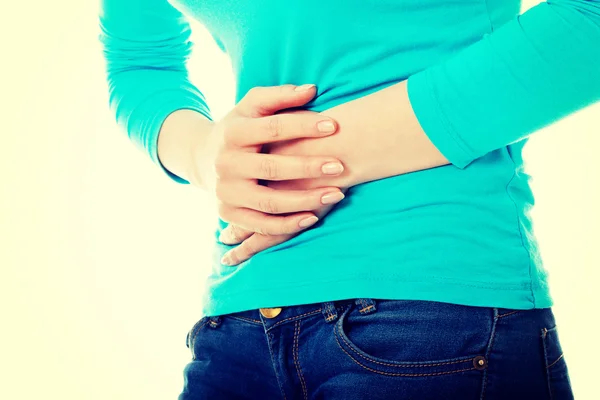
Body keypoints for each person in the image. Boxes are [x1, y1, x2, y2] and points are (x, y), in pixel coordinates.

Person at [98, 0, 599, 398]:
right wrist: (205, 156)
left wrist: (316, 155)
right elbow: (140, 60)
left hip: (430, 305)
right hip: (238, 320)